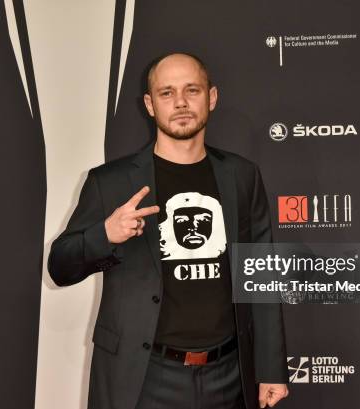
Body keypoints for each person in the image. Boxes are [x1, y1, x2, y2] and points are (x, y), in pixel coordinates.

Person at [48, 52, 289, 409]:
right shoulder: (110, 182)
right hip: (143, 377)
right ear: (149, 104)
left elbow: (263, 275)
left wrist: (272, 367)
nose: (180, 102)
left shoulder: (242, 175)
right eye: (166, 93)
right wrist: (105, 234)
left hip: (228, 375)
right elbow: (60, 267)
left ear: (212, 97)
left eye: (192, 90)